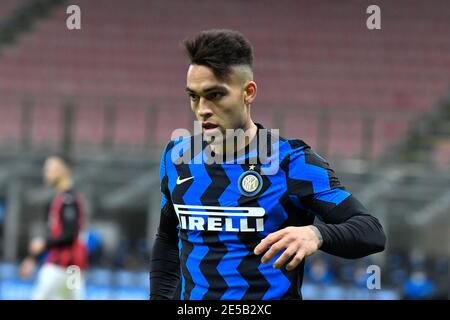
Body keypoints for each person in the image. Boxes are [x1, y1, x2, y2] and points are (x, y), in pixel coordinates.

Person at [150, 29, 386, 300]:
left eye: (215, 95)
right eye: (194, 96)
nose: (202, 108)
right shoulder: (177, 157)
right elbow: (168, 239)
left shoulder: (291, 162)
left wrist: (317, 234)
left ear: (248, 92)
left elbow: (371, 231)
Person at [20, 155, 88, 299]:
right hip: (72, 269)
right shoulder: (62, 198)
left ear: (64, 171)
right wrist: (33, 257)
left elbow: (70, 233)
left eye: (50, 169)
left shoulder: (68, 199)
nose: (46, 172)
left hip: (63, 268)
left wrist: (43, 244)